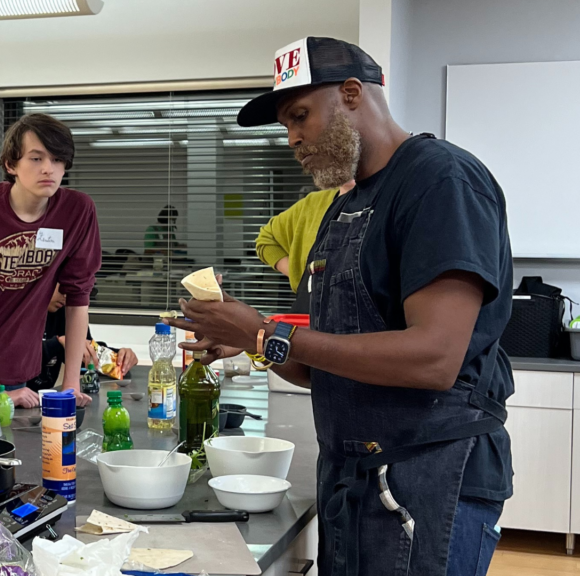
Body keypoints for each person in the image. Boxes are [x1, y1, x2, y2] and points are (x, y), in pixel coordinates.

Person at [167, 37, 513, 575]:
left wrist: (267, 333)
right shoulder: (344, 207)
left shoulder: (440, 180)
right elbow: (325, 368)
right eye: (286, 125)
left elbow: (435, 358)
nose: (293, 138)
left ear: (353, 93)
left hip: (428, 476)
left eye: (300, 116)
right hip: (353, 479)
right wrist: (253, 342)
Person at [0, 113, 101, 408]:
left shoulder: (76, 211)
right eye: (36, 159)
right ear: (11, 164)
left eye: (57, 159)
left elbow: (78, 298)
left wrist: (71, 384)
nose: (49, 169)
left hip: (21, 369)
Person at [28, 285, 139, 391]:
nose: (67, 297)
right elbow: (16, 355)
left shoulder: (66, 313)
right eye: (62, 289)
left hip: (43, 399)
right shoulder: (22, 312)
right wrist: (57, 344)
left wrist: (119, 357)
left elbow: (87, 356)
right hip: (14, 397)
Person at [255, 180, 355, 293]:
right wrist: (297, 274)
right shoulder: (313, 204)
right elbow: (266, 238)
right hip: (307, 307)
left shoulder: (378, 206)